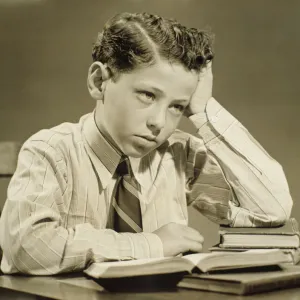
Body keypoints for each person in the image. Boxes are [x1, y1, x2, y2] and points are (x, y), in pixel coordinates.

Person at [0, 12, 293, 275]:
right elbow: (29, 247)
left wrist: (204, 110)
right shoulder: (50, 151)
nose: (159, 122)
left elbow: (272, 209)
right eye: (147, 95)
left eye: (177, 106)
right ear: (99, 81)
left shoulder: (179, 155)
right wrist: (151, 244)